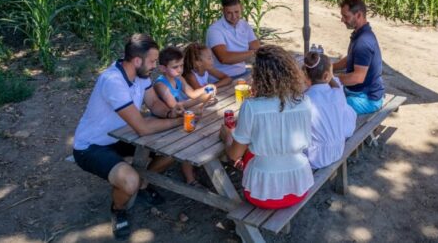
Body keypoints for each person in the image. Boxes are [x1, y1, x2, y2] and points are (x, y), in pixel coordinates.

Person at [73, 34, 184, 240]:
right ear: (136, 61)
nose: (155, 65)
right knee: (129, 181)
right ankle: (118, 208)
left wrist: (171, 112)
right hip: (92, 146)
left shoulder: (142, 76)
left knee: (176, 148)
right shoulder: (112, 81)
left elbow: (154, 105)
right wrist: (178, 122)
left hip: (123, 136)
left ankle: (142, 183)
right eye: (152, 61)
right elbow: (142, 128)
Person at [219, 45, 314, 209]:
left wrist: (227, 137)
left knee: (247, 150)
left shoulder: (251, 107)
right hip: (299, 186)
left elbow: (234, 155)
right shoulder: (304, 102)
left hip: (264, 194)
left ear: (258, 76)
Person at [153, 46, 216, 186]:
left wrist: (207, 89)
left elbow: (192, 94)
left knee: (199, 130)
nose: (180, 70)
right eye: (175, 67)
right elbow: (174, 106)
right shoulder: (160, 85)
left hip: (179, 117)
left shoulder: (179, 78)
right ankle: (190, 178)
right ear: (163, 68)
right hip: (164, 122)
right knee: (190, 138)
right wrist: (200, 100)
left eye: (181, 66)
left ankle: (197, 168)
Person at [302, 51, 356, 169]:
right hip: (337, 151)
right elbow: (335, 84)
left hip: (314, 159)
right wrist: (329, 75)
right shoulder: (337, 93)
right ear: (327, 76)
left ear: (305, 76)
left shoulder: (305, 100)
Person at [333, 0, 385, 114]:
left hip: (367, 99)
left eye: (346, 16)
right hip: (357, 93)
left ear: (358, 15)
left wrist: (333, 78)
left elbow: (357, 77)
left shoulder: (363, 42)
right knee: (327, 96)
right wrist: (331, 67)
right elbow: (350, 59)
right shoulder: (359, 33)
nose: (342, 20)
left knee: (331, 108)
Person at [206, 0, 260, 78]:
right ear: (223, 11)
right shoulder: (215, 30)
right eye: (229, 13)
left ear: (241, 8)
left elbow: (256, 47)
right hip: (223, 78)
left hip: (243, 72)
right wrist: (252, 53)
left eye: (236, 12)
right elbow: (224, 58)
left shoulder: (244, 25)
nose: (234, 16)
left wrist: (254, 52)